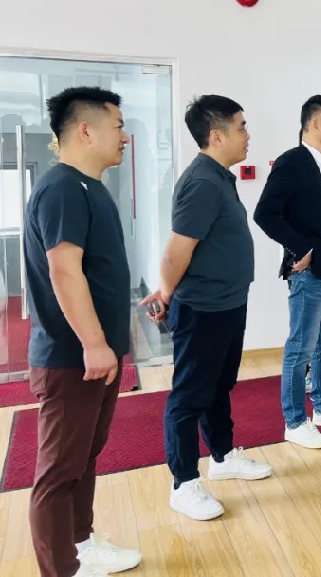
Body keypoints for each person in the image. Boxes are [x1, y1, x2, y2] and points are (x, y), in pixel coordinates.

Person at [24, 87, 141, 577]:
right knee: (58, 471)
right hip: (71, 358)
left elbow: (95, 270)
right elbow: (64, 271)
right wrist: (94, 344)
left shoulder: (90, 187)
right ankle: (61, 569)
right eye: (118, 127)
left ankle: (80, 545)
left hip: (96, 357)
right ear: (86, 130)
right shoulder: (63, 188)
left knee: (83, 457)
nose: (125, 138)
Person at [141, 95, 272, 522]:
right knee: (190, 395)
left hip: (228, 303)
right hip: (203, 308)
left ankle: (222, 456)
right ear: (216, 136)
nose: (247, 134)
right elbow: (176, 251)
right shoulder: (201, 182)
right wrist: (166, 293)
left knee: (218, 386)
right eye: (241, 126)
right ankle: (183, 483)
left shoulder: (219, 177)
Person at [253, 95, 321, 451]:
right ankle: (295, 421)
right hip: (312, 270)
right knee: (301, 346)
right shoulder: (293, 162)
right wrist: (302, 248)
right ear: (315, 123)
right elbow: (265, 214)